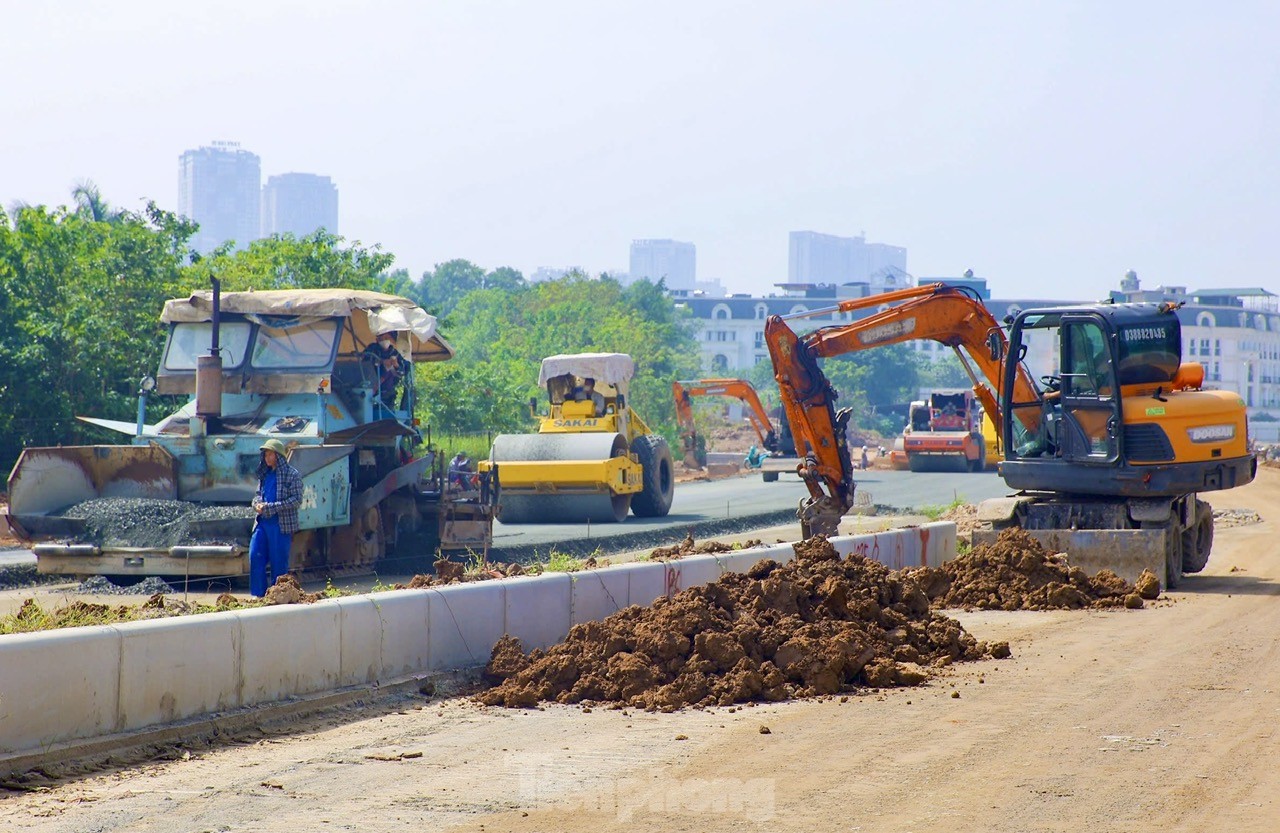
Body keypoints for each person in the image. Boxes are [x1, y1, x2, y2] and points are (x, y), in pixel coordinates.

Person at [249, 438, 303, 598]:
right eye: (265, 454)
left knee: (278, 562)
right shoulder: (264, 475)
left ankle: (278, 596)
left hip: (280, 525)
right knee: (255, 555)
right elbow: (257, 496)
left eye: (270, 454)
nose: (267, 458)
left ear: (278, 456)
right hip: (262, 524)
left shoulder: (292, 475)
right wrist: (257, 504)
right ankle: (257, 596)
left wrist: (272, 507)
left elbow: (296, 499)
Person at [363, 330, 407, 409]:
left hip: (387, 393)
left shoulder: (395, 353)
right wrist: (381, 362)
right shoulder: (372, 349)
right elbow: (365, 361)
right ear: (377, 340)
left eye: (386, 338)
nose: (383, 340)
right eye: (381, 339)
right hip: (370, 388)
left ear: (391, 339)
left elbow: (402, 372)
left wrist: (396, 365)